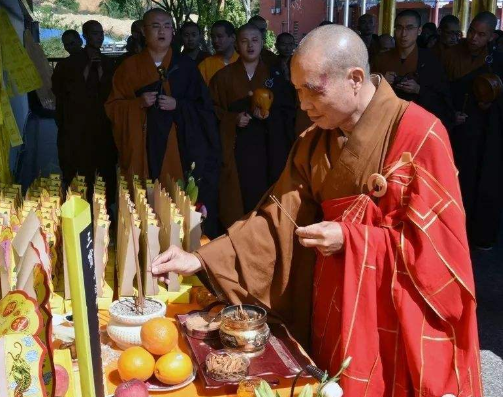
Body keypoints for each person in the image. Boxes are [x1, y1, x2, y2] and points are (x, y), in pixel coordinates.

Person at [151, 24, 482, 397]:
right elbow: (275, 218)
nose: (304, 104)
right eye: (297, 92)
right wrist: (201, 259)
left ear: (355, 78)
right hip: (333, 300)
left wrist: (353, 237)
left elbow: (441, 253)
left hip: (390, 314)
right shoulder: (314, 141)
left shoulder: (420, 135)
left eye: (313, 91)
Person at [106, 9, 221, 237]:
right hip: (142, 150)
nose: (162, 31)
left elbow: (205, 110)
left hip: (177, 150)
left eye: (167, 26)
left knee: (175, 205)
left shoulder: (186, 67)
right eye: (156, 26)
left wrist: (178, 105)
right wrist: (137, 104)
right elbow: (112, 108)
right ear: (143, 31)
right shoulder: (129, 68)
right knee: (143, 207)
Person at [208, 23, 296, 229]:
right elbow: (209, 111)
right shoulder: (222, 77)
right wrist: (233, 119)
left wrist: (269, 115)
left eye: (255, 40)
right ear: (236, 45)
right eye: (244, 41)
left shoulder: (274, 77)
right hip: (235, 147)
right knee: (236, 198)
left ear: (262, 43)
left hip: (267, 149)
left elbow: (288, 112)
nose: (250, 45)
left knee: (263, 196)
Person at [442, 11, 503, 249]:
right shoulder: (450, 56)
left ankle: (478, 235)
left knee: (482, 183)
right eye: (472, 32)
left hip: (486, 134)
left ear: (491, 36)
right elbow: (440, 90)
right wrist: (450, 113)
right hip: (456, 130)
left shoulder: (496, 61)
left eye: (481, 34)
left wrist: (492, 103)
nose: (474, 38)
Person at [51, 20, 117, 205]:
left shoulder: (108, 62)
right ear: (85, 36)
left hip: (103, 123)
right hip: (78, 123)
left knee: (105, 165)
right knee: (80, 163)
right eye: (95, 33)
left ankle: (105, 206)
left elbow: (113, 91)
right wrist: (87, 71)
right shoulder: (68, 64)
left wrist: (102, 71)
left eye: (101, 33)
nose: (100, 37)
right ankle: (79, 202)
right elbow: (60, 91)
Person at [372, 10, 453, 128]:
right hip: (386, 124)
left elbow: (443, 101)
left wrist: (418, 90)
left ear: (419, 31)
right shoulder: (381, 59)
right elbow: (365, 93)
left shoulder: (430, 60)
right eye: (399, 28)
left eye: (409, 28)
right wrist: (381, 82)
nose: (403, 34)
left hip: (418, 124)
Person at [198, 20, 238, 85]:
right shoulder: (205, 65)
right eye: (213, 37)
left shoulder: (244, 62)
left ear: (233, 37)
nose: (215, 41)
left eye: (220, 36)